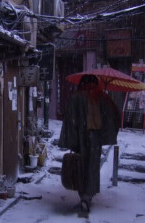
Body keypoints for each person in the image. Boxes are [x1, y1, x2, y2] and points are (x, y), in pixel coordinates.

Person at [58, 75, 120, 215]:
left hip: (80, 139)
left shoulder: (75, 97)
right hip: (95, 140)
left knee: (80, 168)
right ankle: (87, 197)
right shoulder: (102, 97)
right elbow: (114, 115)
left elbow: (69, 120)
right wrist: (105, 135)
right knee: (92, 167)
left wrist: (71, 141)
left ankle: (83, 196)